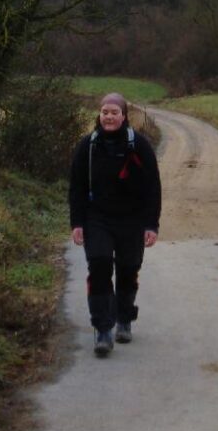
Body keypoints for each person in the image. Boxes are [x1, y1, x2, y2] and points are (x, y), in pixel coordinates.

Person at [69, 91, 161, 356]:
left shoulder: (140, 146)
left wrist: (151, 225)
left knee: (128, 268)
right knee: (99, 266)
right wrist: (77, 222)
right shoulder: (88, 146)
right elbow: (76, 187)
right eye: (105, 112)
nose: (109, 117)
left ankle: (124, 319)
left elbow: (153, 188)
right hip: (97, 217)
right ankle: (103, 329)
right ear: (99, 116)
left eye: (114, 112)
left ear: (124, 116)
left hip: (132, 219)